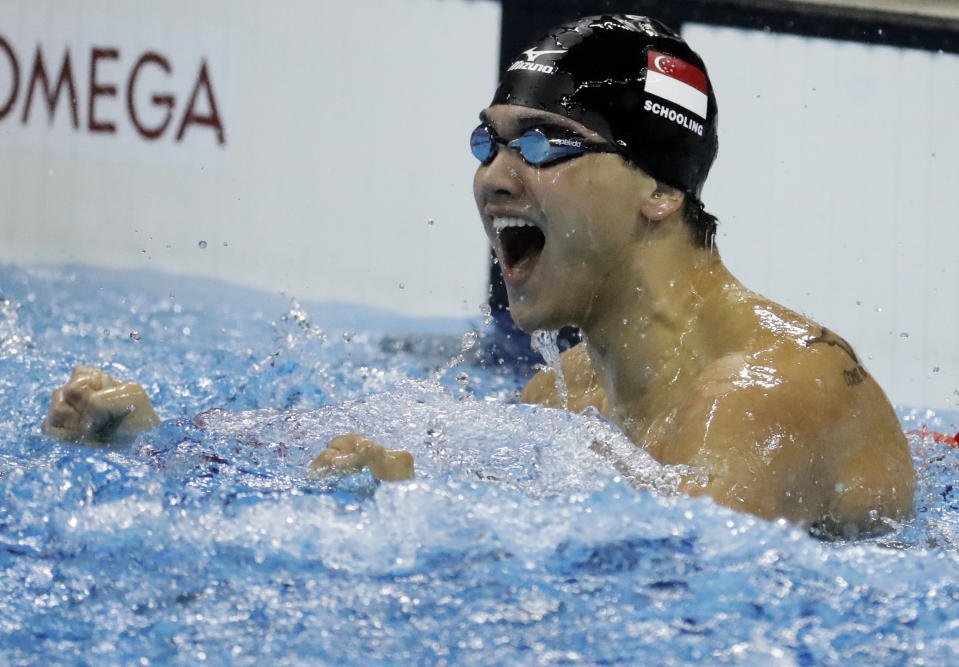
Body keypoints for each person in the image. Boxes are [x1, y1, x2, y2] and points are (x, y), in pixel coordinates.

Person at [43, 15, 915, 537]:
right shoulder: (569, 389)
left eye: (540, 142)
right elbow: (388, 458)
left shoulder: (770, 389)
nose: (494, 176)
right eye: (487, 140)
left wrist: (426, 514)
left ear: (657, 188)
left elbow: (669, 595)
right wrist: (155, 445)